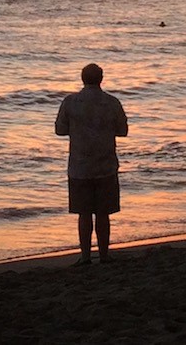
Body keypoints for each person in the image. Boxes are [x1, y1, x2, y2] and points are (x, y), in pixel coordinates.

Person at [55, 63, 128, 265]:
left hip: (79, 166)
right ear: (101, 79)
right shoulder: (112, 102)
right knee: (103, 214)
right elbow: (123, 131)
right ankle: (104, 255)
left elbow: (60, 130)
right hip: (105, 164)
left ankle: (86, 256)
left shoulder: (70, 102)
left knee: (84, 213)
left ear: (82, 78)